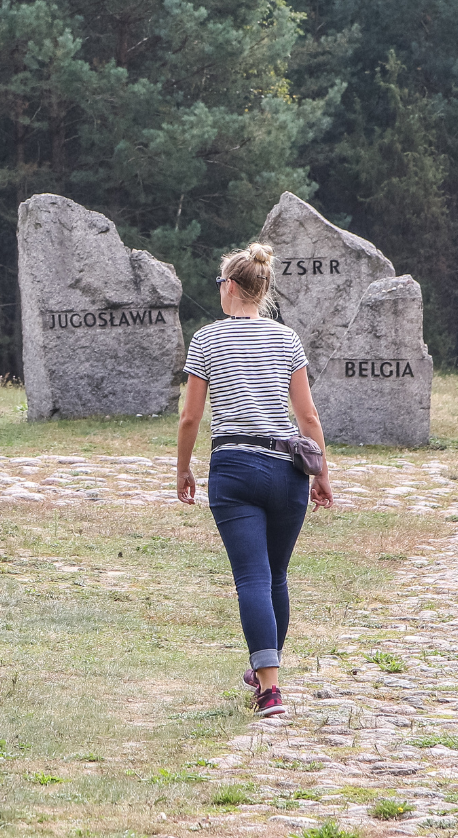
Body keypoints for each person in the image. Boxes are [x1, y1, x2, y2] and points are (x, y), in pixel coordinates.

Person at [176, 242, 333, 718]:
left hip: (235, 468)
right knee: (276, 576)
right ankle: (268, 674)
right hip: (288, 469)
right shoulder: (288, 340)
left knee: (251, 577)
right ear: (261, 290)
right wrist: (322, 472)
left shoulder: (205, 340)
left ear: (229, 288)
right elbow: (307, 416)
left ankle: (269, 689)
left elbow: (189, 417)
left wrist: (183, 468)